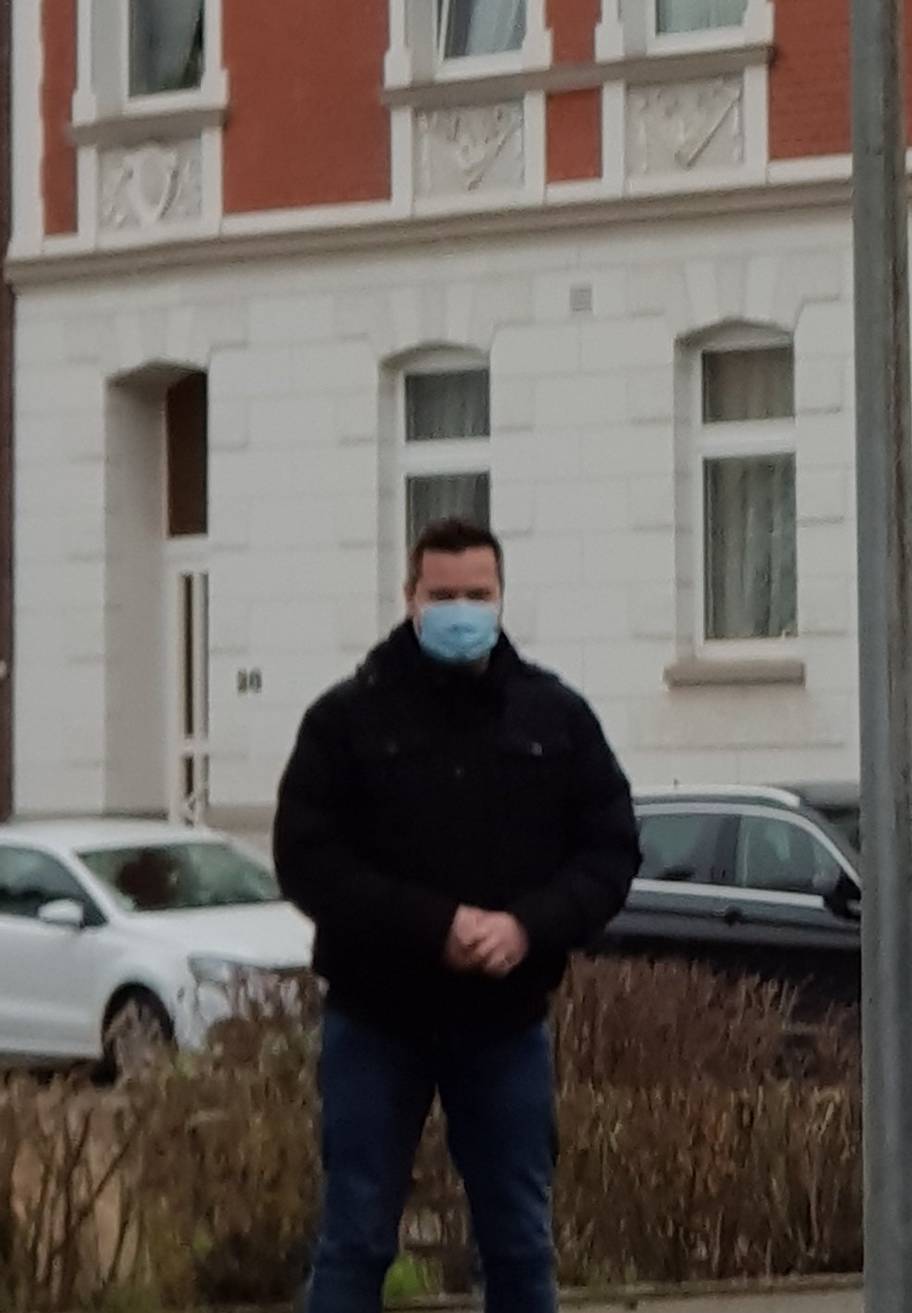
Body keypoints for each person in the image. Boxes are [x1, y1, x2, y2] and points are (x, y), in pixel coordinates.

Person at [275, 518, 640, 1313]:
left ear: (502, 597)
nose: (462, 610)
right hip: (376, 1021)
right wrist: (434, 924)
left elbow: (610, 851)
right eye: (443, 595)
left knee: (518, 1242)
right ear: (410, 598)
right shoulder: (347, 720)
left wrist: (527, 927)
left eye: (478, 594)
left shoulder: (555, 718)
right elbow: (308, 859)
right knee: (355, 1236)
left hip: (505, 1025)